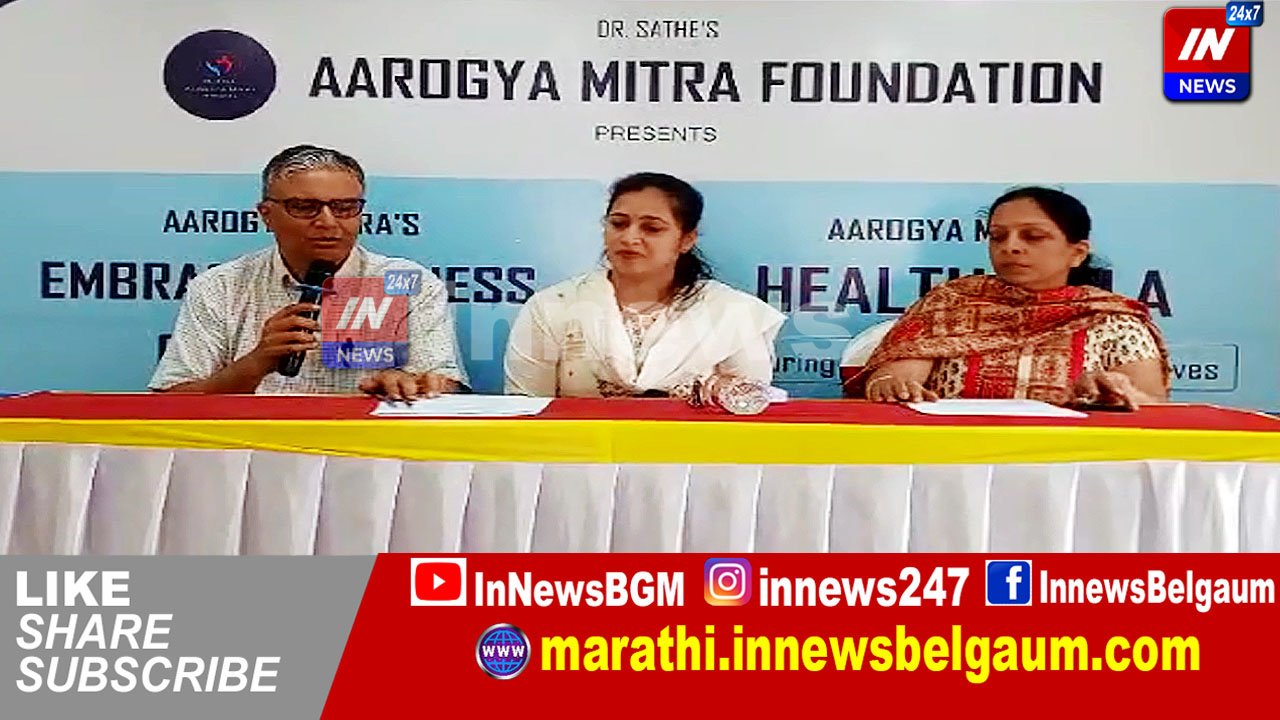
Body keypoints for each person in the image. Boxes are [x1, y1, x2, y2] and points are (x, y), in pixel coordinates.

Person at [150, 144, 467, 399]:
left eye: (344, 208)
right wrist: (255, 364)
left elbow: (445, 384)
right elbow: (170, 402)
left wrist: (408, 384)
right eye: (304, 207)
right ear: (266, 215)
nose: (327, 222)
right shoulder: (220, 286)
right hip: (254, 446)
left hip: (365, 448)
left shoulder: (407, 283)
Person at [846, 186, 1170, 409]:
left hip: (1072, 463)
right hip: (949, 456)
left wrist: (1111, 396)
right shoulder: (950, 303)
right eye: (998, 236)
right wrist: (892, 384)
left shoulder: (1113, 319)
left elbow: (1152, 407)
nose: (1010, 247)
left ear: (1077, 253)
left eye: (1033, 236)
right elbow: (900, 375)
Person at [504, 172, 786, 400]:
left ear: (686, 240)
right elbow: (526, 411)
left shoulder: (731, 313)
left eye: (651, 228)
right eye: (618, 224)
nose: (629, 238)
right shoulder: (553, 306)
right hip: (577, 451)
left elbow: (750, 409)